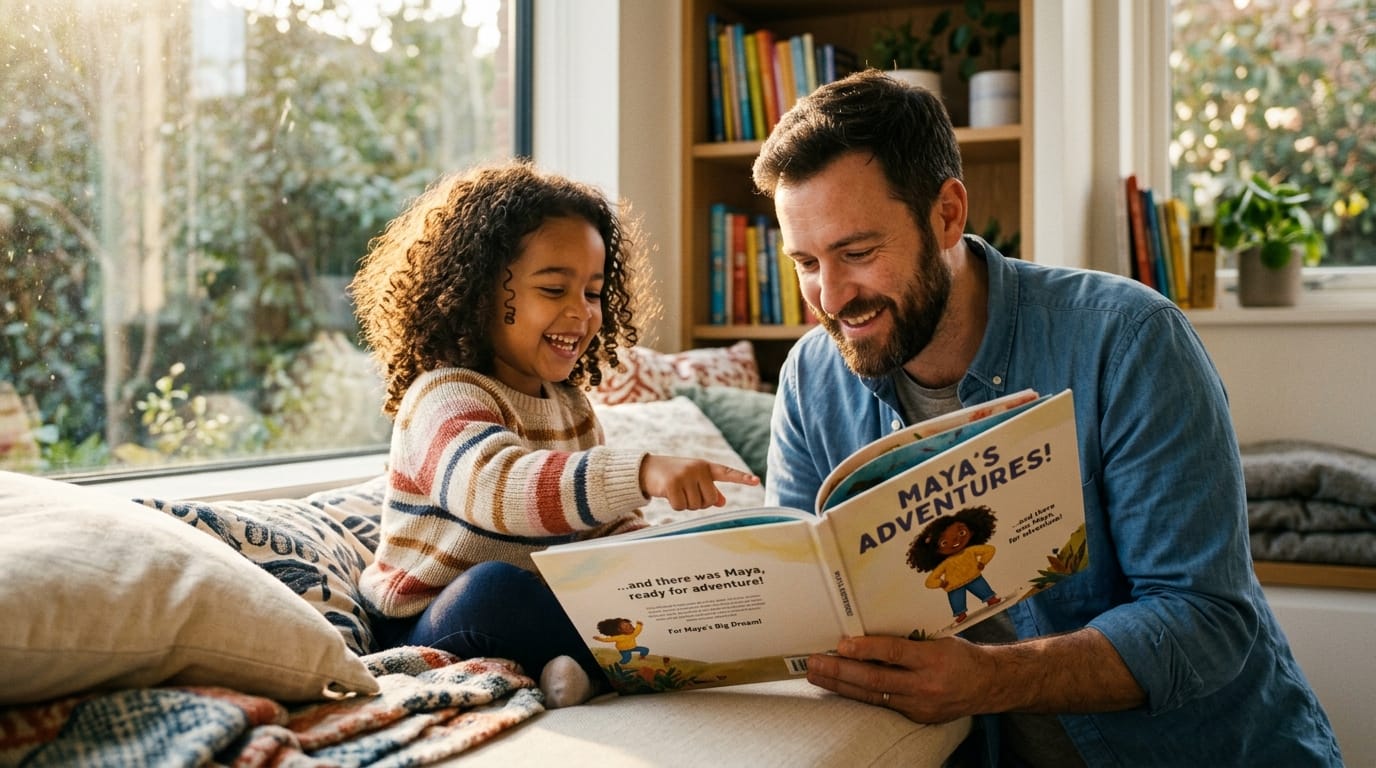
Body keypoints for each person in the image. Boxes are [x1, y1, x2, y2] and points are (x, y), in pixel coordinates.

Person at [752, 69, 1341, 766]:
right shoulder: (811, 379)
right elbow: (797, 605)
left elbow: (1206, 620)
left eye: (858, 253)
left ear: (947, 213)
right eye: (806, 263)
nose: (832, 296)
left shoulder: (1128, 341)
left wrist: (990, 680)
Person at [352, 160, 758, 708]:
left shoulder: (572, 408)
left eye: (593, 293)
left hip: (547, 612)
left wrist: (667, 569)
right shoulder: (442, 395)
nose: (581, 313)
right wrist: (641, 471)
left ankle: (593, 666)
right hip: (433, 620)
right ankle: (624, 669)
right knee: (492, 587)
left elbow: (605, 527)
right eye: (553, 288)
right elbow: (498, 489)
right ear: (478, 293)